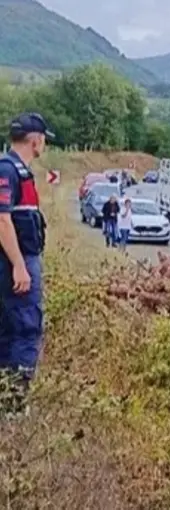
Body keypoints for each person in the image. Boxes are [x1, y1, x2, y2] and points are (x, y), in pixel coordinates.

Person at [0, 112, 54, 415]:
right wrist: (19, 265)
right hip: (15, 264)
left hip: (18, 260)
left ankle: (7, 398)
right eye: (43, 138)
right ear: (35, 140)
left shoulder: (18, 171)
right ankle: (15, 404)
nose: (44, 143)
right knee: (25, 329)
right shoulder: (7, 170)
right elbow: (2, 220)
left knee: (11, 328)